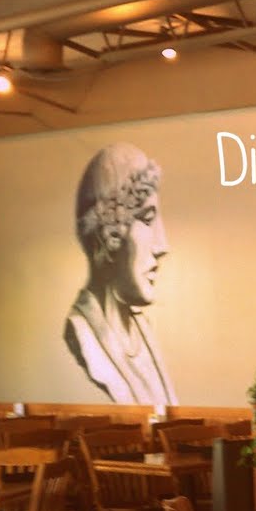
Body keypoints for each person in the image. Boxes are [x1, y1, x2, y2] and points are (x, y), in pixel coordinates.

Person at [64, 142, 178, 405]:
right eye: (147, 219)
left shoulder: (143, 329)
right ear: (107, 235)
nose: (162, 245)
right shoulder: (83, 332)